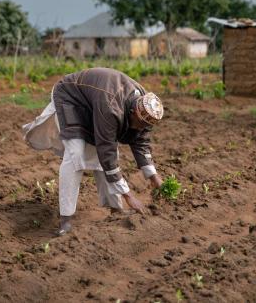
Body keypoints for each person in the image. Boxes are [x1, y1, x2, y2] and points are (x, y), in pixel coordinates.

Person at [22, 67, 164, 235]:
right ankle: (65, 220)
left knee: (103, 157)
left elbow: (141, 141)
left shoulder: (146, 107)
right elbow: (107, 151)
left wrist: (153, 177)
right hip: (71, 98)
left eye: (144, 126)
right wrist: (128, 195)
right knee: (76, 155)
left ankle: (115, 209)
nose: (140, 129)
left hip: (94, 103)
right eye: (139, 124)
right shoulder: (112, 108)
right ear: (132, 112)